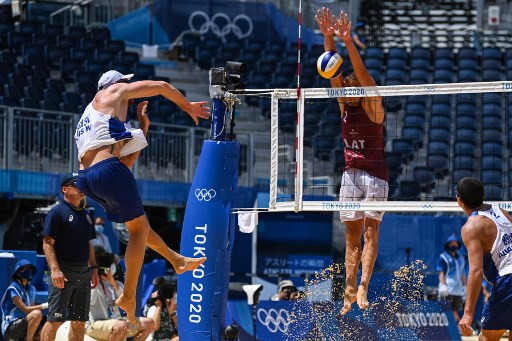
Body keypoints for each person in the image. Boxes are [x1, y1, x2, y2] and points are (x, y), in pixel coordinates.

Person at [74, 70, 209, 322]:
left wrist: (142, 130)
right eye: (126, 82)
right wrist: (187, 106)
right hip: (105, 172)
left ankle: (177, 260)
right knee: (138, 232)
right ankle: (129, 295)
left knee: (141, 227)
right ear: (116, 85)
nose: (130, 86)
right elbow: (161, 85)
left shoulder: (94, 116)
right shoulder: (113, 92)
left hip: (88, 178)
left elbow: (122, 166)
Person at [315, 8, 388, 316]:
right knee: (351, 240)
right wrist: (327, 36)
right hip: (350, 175)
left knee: (370, 234)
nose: (347, 82)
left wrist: (347, 41)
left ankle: (364, 286)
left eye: (351, 80)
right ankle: (348, 289)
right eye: (345, 80)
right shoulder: (345, 102)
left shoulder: (373, 104)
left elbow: (361, 74)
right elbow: (332, 70)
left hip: (375, 175)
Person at [40, 173, 100, 341]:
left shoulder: (87, 214)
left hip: (83, 273)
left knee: (79, 321)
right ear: (65, 189)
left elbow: (88, 244)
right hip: (64, 273)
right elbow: (47, 243)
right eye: (77, 185)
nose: (82, 189)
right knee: (54, 320)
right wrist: (55, 270)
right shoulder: (57, 212)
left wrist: (94, 268)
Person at [455, 177, 512, 340]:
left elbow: (476, 271)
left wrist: (467, 314)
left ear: (459, 200)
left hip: (507, 280)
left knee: (486, 338)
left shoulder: (472, 227)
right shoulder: (501, 211)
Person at [86, 250, 154, 341]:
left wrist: (113, 283)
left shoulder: (116, 283)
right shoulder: (92, 284)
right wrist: (95, 280)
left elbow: (126, 300)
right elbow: (91, 301)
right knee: (121, 325)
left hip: (115, 321)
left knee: (149, 323)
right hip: (94, 323)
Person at [1, 259, 46, 341]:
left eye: (29, 269)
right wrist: (45, 305)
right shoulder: (13, 288)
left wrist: (39, 330)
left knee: (43, 334)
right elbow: (25, 309)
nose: (28, 271)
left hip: (24, 324)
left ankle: (28, 338)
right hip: (10, 328)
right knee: (37, 314)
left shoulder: (32, 289)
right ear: (18, 273)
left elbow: (31, 311)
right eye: (24, 269)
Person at [437, 234, 466, 323]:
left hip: (458, 289)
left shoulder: (461, 258)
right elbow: (441, 273)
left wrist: (465, 286)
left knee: (455, 309)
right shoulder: (443, 257)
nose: (454, 245)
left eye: (456, 243)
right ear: (448, 245)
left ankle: (456, 327)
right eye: (452, 244)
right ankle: (452, 327)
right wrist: (443, 285)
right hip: (447, 288)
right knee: (446, 309)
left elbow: (462, 273)